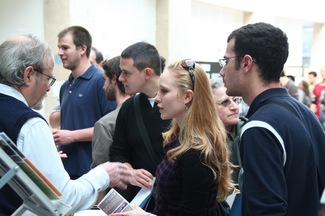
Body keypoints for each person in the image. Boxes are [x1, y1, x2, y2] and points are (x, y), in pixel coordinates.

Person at [0, 34, 130, 215]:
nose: (48, 88)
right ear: (28, 75)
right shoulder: (29, 125)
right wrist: (102, 175)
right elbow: (61, 200)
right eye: (48, 78)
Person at [219, 22, 325, 215]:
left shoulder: (259, 127)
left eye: (225, 61)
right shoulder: (305, 113)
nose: (222, 71)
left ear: (246, 63)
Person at [110, 59, 234, 216]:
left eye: (164, 91)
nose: (157, 98)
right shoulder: (180, 139)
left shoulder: (196, 154)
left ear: (187, 96)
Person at [109, 42, 171, 207]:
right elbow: (118, 152)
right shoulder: (129, 108)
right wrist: (130, 173)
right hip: (141, 201)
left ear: (147, 73)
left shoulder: (179, 105)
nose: (121, 78)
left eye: (126, 73)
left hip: (175, 202)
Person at [53, 26, 116, 179]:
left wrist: (73, 136)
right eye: (59, 48)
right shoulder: (65, 86)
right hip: (66, 174)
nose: (60, 53)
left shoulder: (101, 81)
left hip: (92, 174)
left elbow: (113, 129)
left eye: (65, 47)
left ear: (82, 49)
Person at [91, 56, 132, 202]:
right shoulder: (148, 115)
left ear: (114, 79)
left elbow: (100, 178)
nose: (103, 87)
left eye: (105, 80)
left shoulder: (105, 124)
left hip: (117, 203)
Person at [210, 75, 246, 186]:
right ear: (209, 106)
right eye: (225, 102)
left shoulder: (248, 132)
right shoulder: (201, 139)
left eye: (235, 100)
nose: (235, 106)